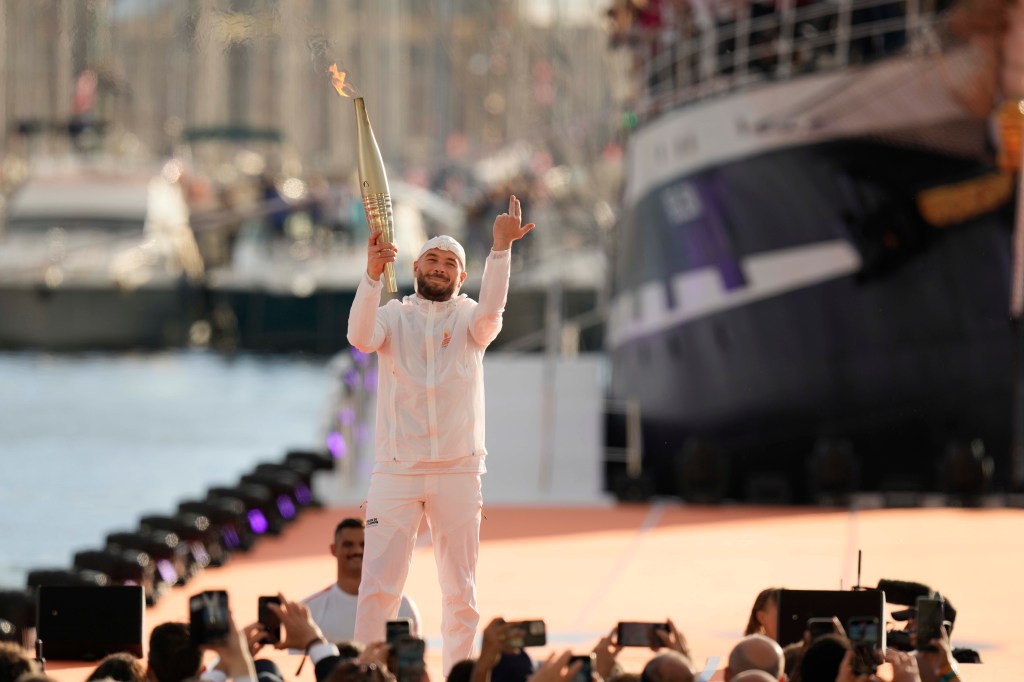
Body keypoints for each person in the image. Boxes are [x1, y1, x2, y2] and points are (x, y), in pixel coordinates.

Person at [347, 195, 536, 675]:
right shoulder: (393, 316)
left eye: (450, 262)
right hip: (396, 473)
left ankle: (462, 674)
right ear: (414, 267)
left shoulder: (471, 319)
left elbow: (494, 311)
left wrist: (499, 250)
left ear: (461, 276)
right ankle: (366, 675)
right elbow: (360, 337)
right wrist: (370, 276)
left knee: (461, 594)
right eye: (432, 258)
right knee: (378, 591)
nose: (439, 267)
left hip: (458, 470)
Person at [303, 518, 421, 643]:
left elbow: (411, 657)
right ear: (333, 549)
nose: (357, 551)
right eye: (348, 545)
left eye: (364, 545)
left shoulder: (402, 605)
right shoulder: (310, 609)